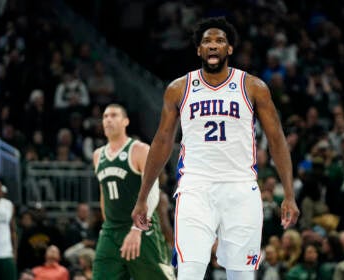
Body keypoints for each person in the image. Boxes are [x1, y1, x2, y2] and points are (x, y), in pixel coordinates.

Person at [131, 17, 300, 280]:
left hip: (241, 188)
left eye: (220, 41)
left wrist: (288, 193)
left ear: (229, 49)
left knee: (242, 276)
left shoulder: (253, 87)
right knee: (189, 272)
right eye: (207, 41)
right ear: (198, 49)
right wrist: (143, 197)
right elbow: (162, 142)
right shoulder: (179, 89)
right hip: (195, 188)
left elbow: (277, 139)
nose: (213, 45)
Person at [92, 104, 175, 279]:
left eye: (114, 115)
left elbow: (153, 193)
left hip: (142, 230)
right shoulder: (98, 155)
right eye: (105, 116)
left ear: (125, 121)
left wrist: (137, 229)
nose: (108, 119)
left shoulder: (139, 150)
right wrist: (106, 227)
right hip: (111, 232)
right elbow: (103, 195)